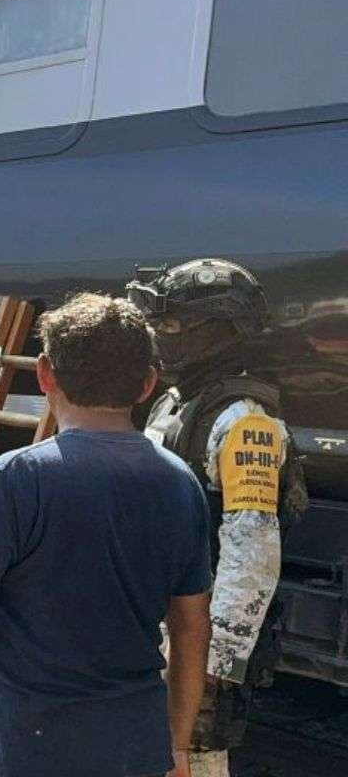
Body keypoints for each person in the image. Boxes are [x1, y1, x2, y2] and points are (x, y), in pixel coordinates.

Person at [0, 293, 213, 777]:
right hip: (135, 748)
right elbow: (191, 630)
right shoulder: (180, 482)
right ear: (147, 385)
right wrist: (177, 747)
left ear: (44, 375)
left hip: (30, 751)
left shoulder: (11, 480)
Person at [129, 259, 306, 777]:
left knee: (196, 759)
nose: (161, 336)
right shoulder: (175, 403)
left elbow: (252, 552)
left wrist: (213, 665)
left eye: (174, 325)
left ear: (219, 331)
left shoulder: (245, 421)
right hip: (162, 622)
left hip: (195, 637)